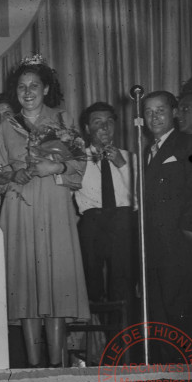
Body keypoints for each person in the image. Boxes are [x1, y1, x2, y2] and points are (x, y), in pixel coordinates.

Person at [0, 55, 90, 368]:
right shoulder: (5, 126)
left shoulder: (62, 120)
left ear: (46, 88)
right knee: (27, 286)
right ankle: (34, 369)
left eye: (34, 85)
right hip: (20, 206)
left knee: (55, 283)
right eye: (22, 86)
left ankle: (58, 366)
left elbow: (79, 164)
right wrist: (11, 175)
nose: (28, 91)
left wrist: (57, 166)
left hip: (54, 203)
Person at [74, 102, 138, 327]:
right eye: (97, 122)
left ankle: (121, 340)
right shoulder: (76, 160)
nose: (104, 127)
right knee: (91, 283)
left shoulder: (130, 157)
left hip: (123, 222)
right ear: (87, 128)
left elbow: (139, 195)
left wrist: (122, 165)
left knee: (122, 283)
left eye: (109, 122)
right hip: (92, 222)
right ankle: (98, 337)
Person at [142, 90, 192, 361]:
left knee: (179, 310)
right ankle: (168, 377)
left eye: (160, 110)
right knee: (160, 313)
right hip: (155, 246)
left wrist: (189, 233)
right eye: (149, 112)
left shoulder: (187, 143)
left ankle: (190, 377)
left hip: (179, 243)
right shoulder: (148, 151)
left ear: (174, 112)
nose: (154, 117)